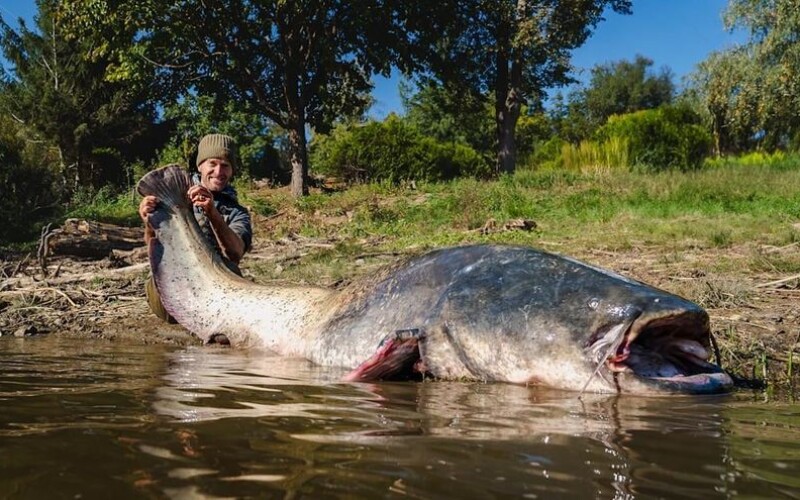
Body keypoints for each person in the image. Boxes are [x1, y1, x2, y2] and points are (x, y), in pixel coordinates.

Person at [139, 133, 253, 322]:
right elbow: (152, 243)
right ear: (200, 166)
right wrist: (149, 221)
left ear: (232, 171)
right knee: (165, 302)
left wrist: (212, 213)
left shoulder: (238, 212)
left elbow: (235, 253)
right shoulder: (174, 196)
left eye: (225, 166)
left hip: (218, 282)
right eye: (213, 164)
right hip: (176, 279)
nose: (218, 171)